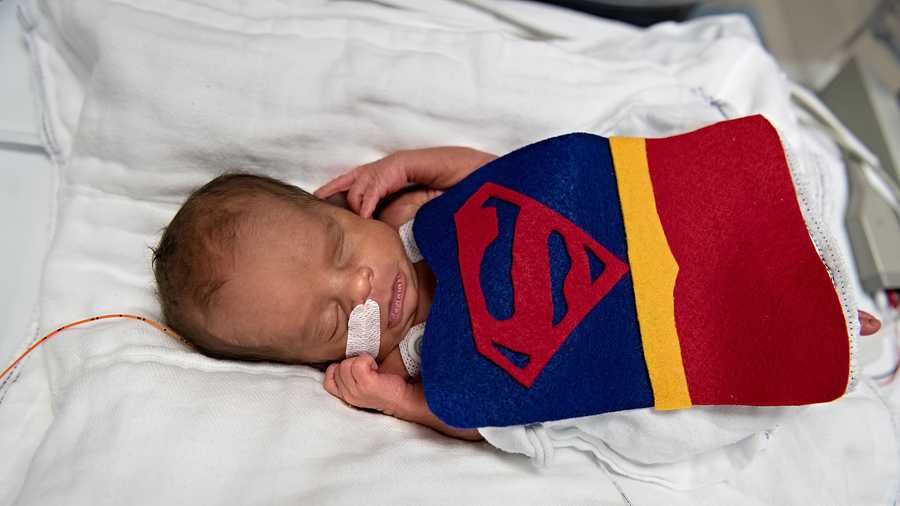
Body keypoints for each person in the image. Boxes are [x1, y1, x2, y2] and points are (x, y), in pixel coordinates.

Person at [152, 146, 882, 441]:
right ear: (311, 361)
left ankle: (789, 263)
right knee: (717, 341)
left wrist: (410, 162)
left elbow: (507, 178)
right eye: (332, 317)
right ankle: (829, 321)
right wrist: (396, 402)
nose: (363, 285)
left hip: (603, 235)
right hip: (604, 339)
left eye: (339, 249)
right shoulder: (407, 366)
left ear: (348, 207)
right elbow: (482, 416)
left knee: (714, 235)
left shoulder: (414, 218)